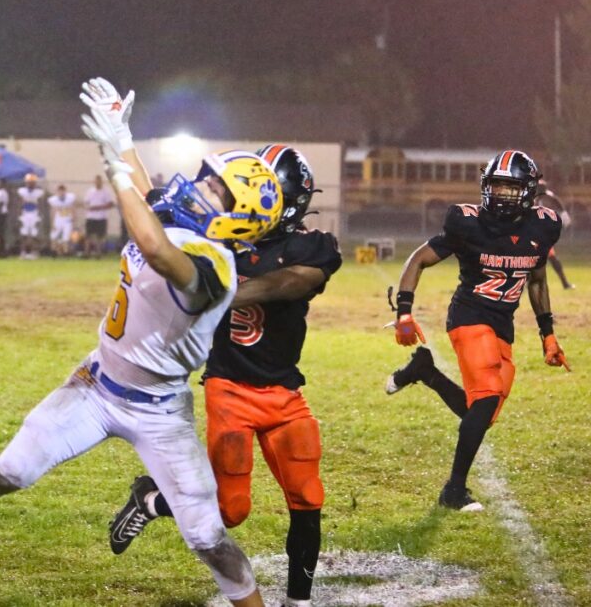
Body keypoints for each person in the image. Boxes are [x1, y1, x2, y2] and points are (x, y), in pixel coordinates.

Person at [0, 78, 282, 607]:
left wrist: (113, 166)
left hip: (161, 411)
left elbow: (154, 248)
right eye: (209, 178)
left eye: (218, 191)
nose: (201, 188)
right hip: (96, 384)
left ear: (240, 219)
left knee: (207, 539)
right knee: (11, 471)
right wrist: (121, 136)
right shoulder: (177, 216)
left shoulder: (217, 268)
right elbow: (146, 192)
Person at [107, 146, 340, 607]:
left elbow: (290, 282)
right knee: (231, 511)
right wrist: (122, 144)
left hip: (285, 389)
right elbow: (151, 199)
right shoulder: (219, 232)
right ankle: (152, 499)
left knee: (308, 496)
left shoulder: (309, 246)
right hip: (229, 385)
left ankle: (300, 602)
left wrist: (215, 292)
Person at [385, 150, 569, 511]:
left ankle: (425, 371)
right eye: (496, 186)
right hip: (468, 316)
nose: (501, 195)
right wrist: (404, 311)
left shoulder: (543, 225)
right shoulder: (467, 222)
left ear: (529, 191)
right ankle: (453, 490)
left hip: (503, 323)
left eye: (510, 188)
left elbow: (537, 279)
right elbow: (419, 258)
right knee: (485, 399)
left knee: (482, 413)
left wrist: (547, 334)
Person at [534, 180, 575, 289]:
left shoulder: (535, 197)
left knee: (547, 258)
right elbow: (557, 203)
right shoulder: (541, 197)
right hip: (538, 234)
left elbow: (557, 203)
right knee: (549, 258)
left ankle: (565, 283)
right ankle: (565, 283)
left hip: (537, 234)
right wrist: (565, 216)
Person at [84, 174, 114, 257]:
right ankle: (87, 252)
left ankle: (98, 252)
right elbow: (86, 202)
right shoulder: (90, 191)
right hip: (91, 216)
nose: (97, 183)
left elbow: (111, 204)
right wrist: (89, 208)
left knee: (100, 236)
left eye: (99, 181)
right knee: (88, 235)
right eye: (96, 181)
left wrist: (100, 207)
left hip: (101, 217)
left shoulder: (106, 192)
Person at [16, 172, 44, 259]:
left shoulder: (39, 192)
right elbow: (20, 203)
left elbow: (40, 203)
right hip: (25, 213)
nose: (30, 184)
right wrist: (19, 212)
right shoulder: (22, 191)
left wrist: (40, 213)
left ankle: (34, 252)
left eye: (32, 182)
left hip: (34, 213)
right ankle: (23, 252)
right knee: (24, 233)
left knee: (34, 234)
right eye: (29, 182)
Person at [47, 184, 76, 256]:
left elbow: (72, 208)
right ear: (57, 192)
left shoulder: (69, 198)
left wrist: (74, 217)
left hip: (67, 219)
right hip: (58, 219)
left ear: (65, 191)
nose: (61, 193)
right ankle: (53, 252)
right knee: (53, 236)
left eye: (62, 191)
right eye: (60, 191)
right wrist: (52, 223)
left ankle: (65, 252)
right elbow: (53, 211)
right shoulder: (54, 200)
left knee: (66, 237)